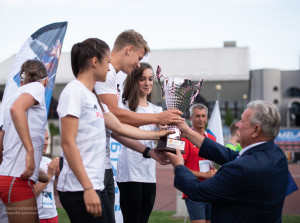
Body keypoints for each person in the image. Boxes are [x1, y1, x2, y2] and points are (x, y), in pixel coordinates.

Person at [57, 38, 171, 223]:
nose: (111, 68)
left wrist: (158, 134)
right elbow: (68, 143)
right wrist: (87, 188)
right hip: (79, 186)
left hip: (97, 181)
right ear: (95, 62)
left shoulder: (93, 97)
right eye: (108, 62)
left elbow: (119, 127)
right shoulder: (74, 91)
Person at [94, 29, 183, 213]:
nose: (138, 64)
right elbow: (117, 120)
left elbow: (116, 127)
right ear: (129, 49)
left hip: (108, 165)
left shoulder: (110, 75)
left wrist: (167, 137)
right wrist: (157, 121)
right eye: (139, 58)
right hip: (98, 167)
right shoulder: (107, 74)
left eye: (150, 79)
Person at [166, 100, 289, 223]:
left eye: (242, 121)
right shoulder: (278, 155)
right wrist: (187, 132)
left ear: (256, 130)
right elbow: (228, 154)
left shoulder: (240, 169)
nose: (237, 125)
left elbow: (197, 191)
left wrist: (179, 166)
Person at [0, 60, 48, 223]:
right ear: (46, 81)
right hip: (17, 179)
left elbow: (2, 142)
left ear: (21, 81)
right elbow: (17, 108)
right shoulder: (36, 87)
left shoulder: (11, 100)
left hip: (11, 178)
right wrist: (29, 151)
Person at [114, 62, 163, 223]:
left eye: (150, 79)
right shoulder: (124, 108)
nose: (147, 83)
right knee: (132, 219)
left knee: (143, 219)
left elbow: (164, 139)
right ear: (134, 81)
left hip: (149, 173)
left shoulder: (157, 110)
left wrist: (171, 133)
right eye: (142, 79)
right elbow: (117, 132)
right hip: (129, 172)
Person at [182, 104, 217, 223]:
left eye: (203, 116)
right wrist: (204, 175)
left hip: (211, 190)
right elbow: (180, 169)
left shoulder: (212, 138)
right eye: (197, 116)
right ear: (191, 117)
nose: (201, 119)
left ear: (207, 117)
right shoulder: (184, 139)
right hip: (195, 191)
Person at [34, 131, 60, 223]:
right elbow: (32, 193)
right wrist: (49, 175)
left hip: (52, 215)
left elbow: (56, 193)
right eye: (42, 139)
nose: (46, 143)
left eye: (47, 139)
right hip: (36, 216)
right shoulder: (28, 163)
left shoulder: (48, 161)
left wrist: (57, 176)